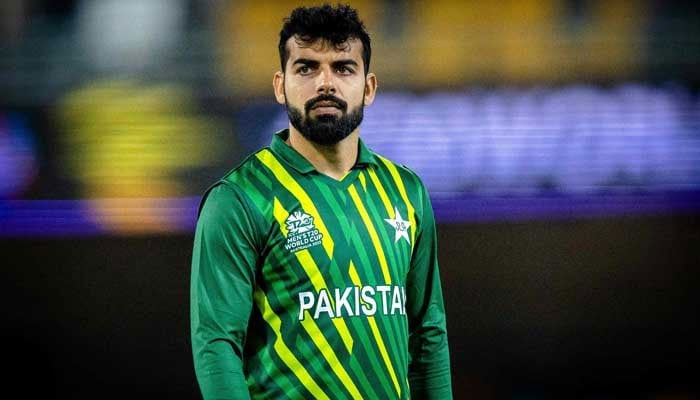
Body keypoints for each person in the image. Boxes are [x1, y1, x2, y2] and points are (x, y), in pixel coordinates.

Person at [190, 3, 452, 399]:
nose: (324, 83)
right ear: (280, 86)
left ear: (369, 86)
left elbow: (428, 333)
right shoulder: (239, 199)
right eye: (306, 68)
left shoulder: (405, 192)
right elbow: (216, 345)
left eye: (343, 68)